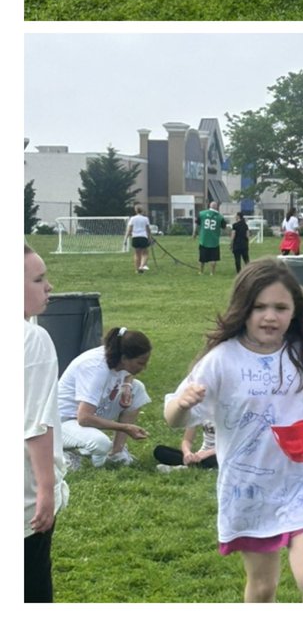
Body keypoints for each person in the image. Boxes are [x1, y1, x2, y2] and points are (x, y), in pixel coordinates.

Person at [164, 258, 303, 602]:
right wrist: (182, 404)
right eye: (260, 306)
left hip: (302, 485)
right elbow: (174, 419)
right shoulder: (222, 359)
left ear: (295, 311)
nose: (270, 316)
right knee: (262, 588)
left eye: (281, 307)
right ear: (243, 309)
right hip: (248, 489)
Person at [25, 245, 68, 602]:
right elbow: (35, 423)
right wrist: (45, 491)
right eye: (38, 279)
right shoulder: (33, 339)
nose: (49, 286)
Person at [58, 326, 152, 469]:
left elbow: (128, 374)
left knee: (137, 389)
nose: (144, 367)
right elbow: (84, 418)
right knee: (101, 443)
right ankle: (66, 453)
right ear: (124, 358)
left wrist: (127, 385)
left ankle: (117, 453)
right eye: (140, 363)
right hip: (62, 422)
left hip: (89, 411)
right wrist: (126, 427)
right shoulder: (96, 369)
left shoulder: (115, 355)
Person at [154, 421, 219, 473]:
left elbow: (229, 447)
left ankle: (184, 468)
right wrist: (187, 453)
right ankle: (200, 466)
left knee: (220, 459)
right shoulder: (200, 410)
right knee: (160, 451)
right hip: (201, 456)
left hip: (220, 453)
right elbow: (187, 440)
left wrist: (207, 453)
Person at [197, 200, 225, 274]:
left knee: (202, 258)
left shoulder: (202, 214)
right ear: (216, 207)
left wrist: (194, 233)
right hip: (214, 240)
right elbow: (224, 226)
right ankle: (212, 272)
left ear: (209, 206)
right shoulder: (220, 217)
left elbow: (198, 223)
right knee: (213, 258)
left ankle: (201, 271)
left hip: (204, 239)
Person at [125, 203, 153, 274]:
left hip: (135, 237)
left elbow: (129, 230)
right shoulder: (145, 219)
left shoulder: (132, 219)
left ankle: (137, 269)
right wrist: (150, 237)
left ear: (136, 210)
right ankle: (142, 266)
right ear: (142, 210)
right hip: (143, 237)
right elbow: (148, 229)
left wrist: (125, 239)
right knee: (145, 253)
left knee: (137, 254)